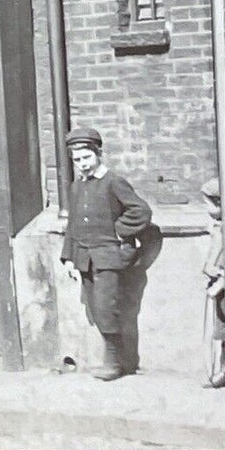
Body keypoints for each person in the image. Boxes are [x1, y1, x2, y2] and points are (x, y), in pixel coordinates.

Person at [61, 124, 153, 381]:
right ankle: (115, 360)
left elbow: (141, 211)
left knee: (106, 308)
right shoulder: (76, 187)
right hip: (84, 258)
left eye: (86, 157)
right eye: (77, 160)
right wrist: (69, 257)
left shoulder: (114, 182)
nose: (82, 164)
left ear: (98, 153)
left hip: (109, 258)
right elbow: (73, 224)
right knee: (95, 308)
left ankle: (116, 363)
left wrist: (119, 231)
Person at [201, 177, 225, 389]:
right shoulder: (217, 226)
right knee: (221, 327)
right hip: (216, 282)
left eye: (208, 203)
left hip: (223, 285)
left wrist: (219, 282)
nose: (206, 208)